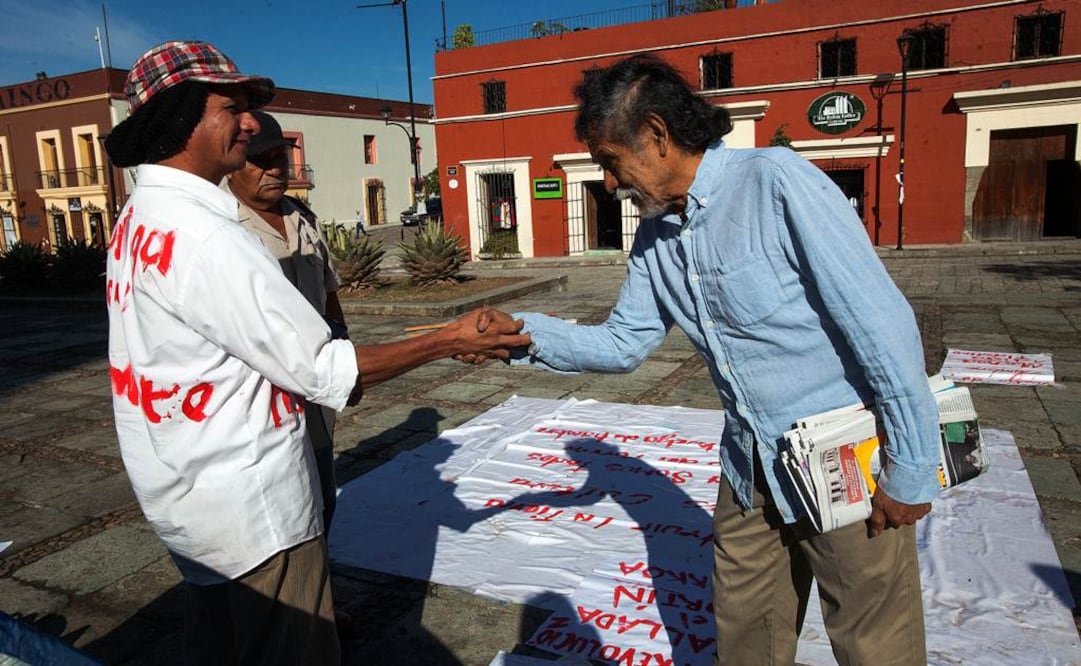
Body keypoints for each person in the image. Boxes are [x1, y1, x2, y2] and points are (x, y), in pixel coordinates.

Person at [472, 54, 939, 665]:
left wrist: (912, 466)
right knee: (745, 630)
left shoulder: (774, 182)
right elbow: (624, 342)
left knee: (874, 641)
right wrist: (522, 335)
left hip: (845, 459)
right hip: (750, 469)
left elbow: (881, 323)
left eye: (611, 161)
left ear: (658, 136)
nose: (609, 183)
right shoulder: (653, 236)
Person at [103, 40, 529, 666]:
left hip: (188, 493)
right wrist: (448, 338)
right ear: (177, 116)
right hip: (253, 514)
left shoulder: (139, 220)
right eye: (232, 107)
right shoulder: (206, 237)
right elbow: (325, 368)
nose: (250, 123)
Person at [225, 110, 344, 535]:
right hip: (262, 391)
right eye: (261, 159)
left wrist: (343, 345)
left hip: (317, 382)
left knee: (322, 488)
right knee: (280, 504)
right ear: (233, 162)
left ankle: (321, 585)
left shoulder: (303, 216)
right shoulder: (223, 226)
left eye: (281, 156)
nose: (276, 168)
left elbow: (329, 290)